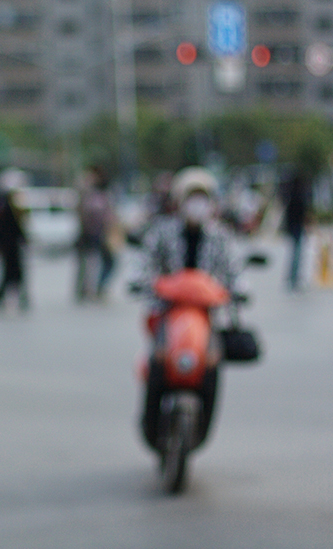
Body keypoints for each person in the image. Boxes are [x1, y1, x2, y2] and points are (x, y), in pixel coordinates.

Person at [138, 166, 238, 451]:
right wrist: (145, 283)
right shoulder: (162, 233)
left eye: (202, 198)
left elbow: (235, 272)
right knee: (157, 361)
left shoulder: (220, 237)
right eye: (191, 197)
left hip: (206, 318)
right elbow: (144, 266)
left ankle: (202, 431)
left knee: (212, 366)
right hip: (169, 314)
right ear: (179, 201)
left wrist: (239, 291)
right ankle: (150, 426)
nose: (197, 205)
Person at [74, 166, 117, 301]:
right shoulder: (93, 195)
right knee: (91, 263)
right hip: (94, 235)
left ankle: (89, 289)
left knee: (97, 263)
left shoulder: (95, 194)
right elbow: (96, 215)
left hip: (95, 234)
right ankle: (91, 289)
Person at [0, 179, 29, 311]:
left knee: (12, 273)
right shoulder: (6, 209)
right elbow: (7, 229)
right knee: (11, 273)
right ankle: (4, 296)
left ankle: (19, 297)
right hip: (9, 247)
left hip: (11, 247)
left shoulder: (7, 208)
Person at [280, 169, 311, 291]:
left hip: (292, 226)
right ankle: (294, 278)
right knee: (297, 254)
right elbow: (303, 213)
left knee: (295, 253)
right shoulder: (299, 196)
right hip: (297, 227)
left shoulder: (289, 194)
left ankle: (293, 277)